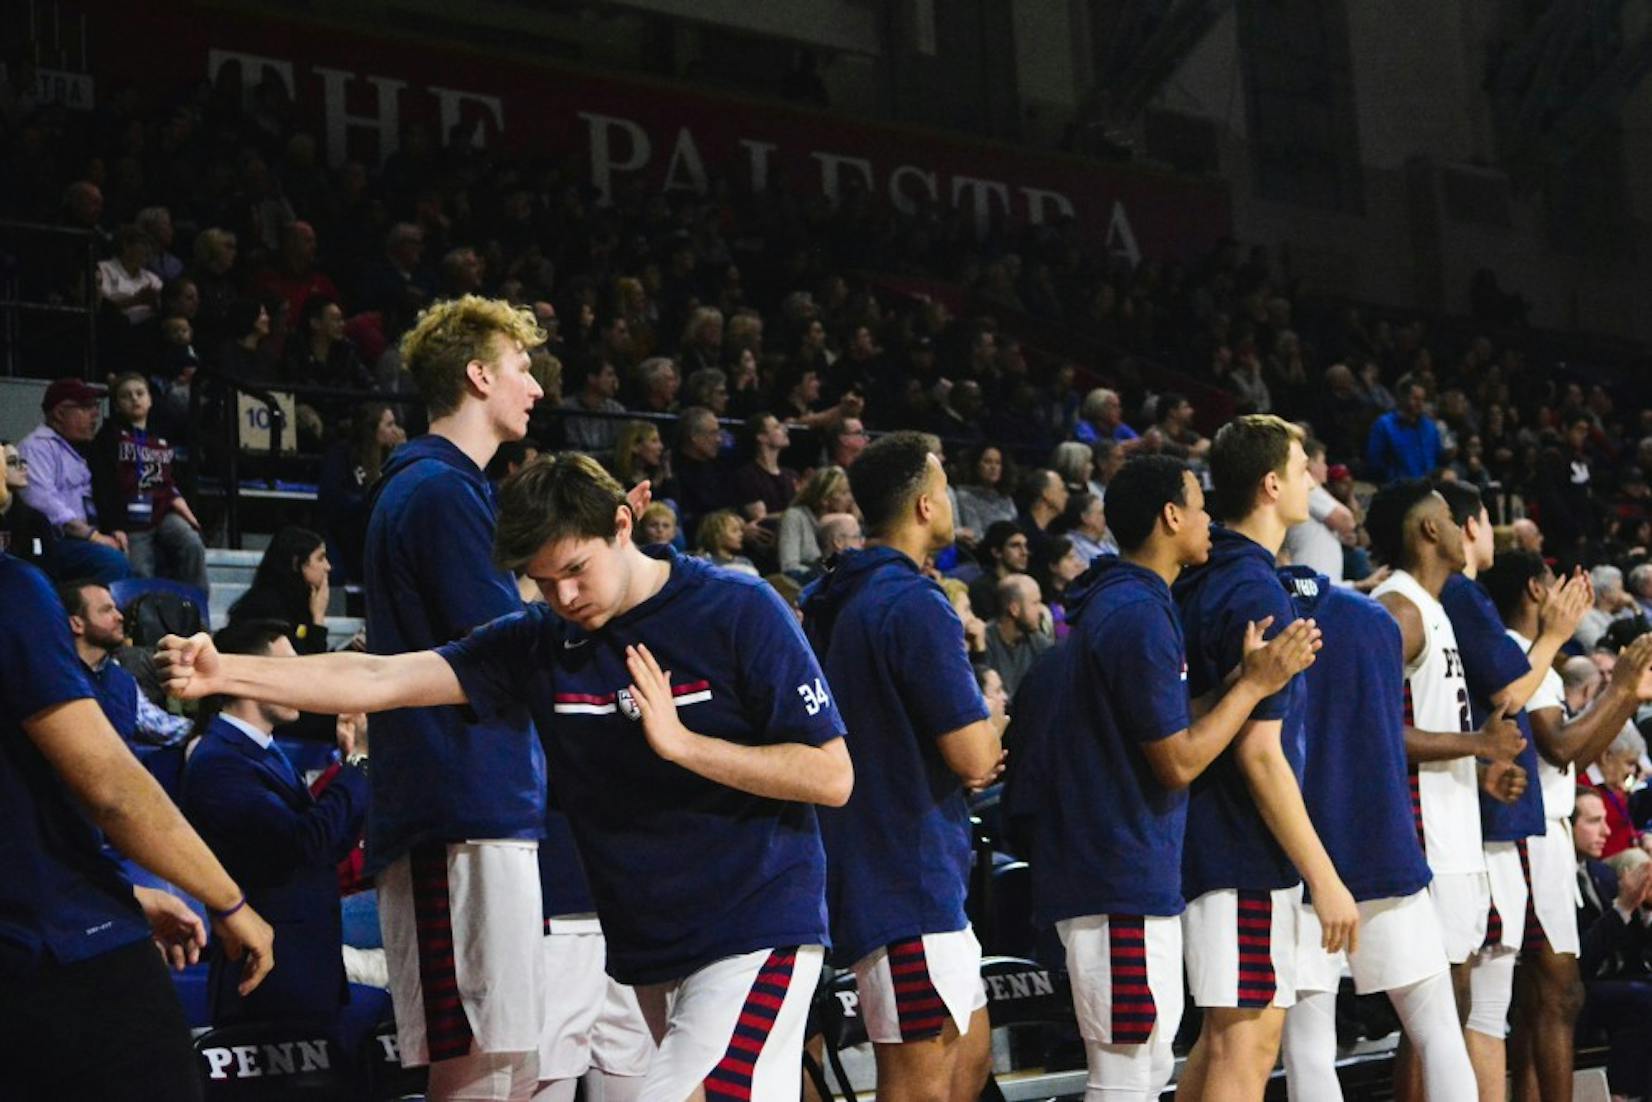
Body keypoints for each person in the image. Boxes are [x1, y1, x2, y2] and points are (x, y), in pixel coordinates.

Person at [157, 450, 851, 1101]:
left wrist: (684, 745)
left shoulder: (738, 609)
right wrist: (228, 670)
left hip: (758, 919)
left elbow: (830, 775)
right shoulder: (542, 640)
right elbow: (384, 675)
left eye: (576, 569)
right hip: (649, 941)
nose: (565, 594)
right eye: (545, 581)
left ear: (621, 524)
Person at [1036, 454, 1321, 1102]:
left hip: (1120, 875)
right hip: (1118, 876)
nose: (1208, 521)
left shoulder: (1129, 601)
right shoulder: (1136, 613)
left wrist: (1234, 684)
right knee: (1128, 1079)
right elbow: (1177, 760)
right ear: (1171, 516)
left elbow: (1159, 722)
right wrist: (1252, 687)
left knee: (1145, 1067)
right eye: (1198, 506)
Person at [359, 295, 550, 1099]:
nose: (535, 386)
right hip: (455, 808)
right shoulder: (439, 492)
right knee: (471, 1063)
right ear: (478, 376)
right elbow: (507, 652)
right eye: (521, 368)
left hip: (479, 803)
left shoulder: (447, 489)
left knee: (504, 1061)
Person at [1, 549, 273, 1099]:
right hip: (62, 950)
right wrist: (228, 901)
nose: (10, 459)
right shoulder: (11, 590)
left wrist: (130, 892)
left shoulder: (119, 683)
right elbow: (112, 789)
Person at [801, 431, 1005, 1102]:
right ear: (924, 505)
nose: (951, 505)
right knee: (921, 1079)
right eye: (945, 491)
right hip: (904, 872)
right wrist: (994, 713)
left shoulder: (848, 597)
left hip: (898, 864)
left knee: (969, 1054)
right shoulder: (913, 603)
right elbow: (975, 758)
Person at [1171, 415, 1358, 1102]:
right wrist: (1325, 876)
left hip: (1207, 842)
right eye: (1305, 466)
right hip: (1241, 849)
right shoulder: (1254, 590)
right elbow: (1260, 756)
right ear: (1272, 482)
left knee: (1222, 1046)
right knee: (1246, 1047)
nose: (1315, 477)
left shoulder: (1208, 574)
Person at [1274, 559, 1479, 1102]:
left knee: (1308, 1044)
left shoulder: (1258, 614)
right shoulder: (1375, 620)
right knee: (1438, 1030)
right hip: (1381, 842)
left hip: (1301, 854)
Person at [1434, 481, 1590, 1101]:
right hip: (1499, 829)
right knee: (1481, 1002)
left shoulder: (1462, 605)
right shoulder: (1468, 603)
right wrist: (1558, 641)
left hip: (1501, 819)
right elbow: (1515, 701)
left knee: (1490, 1000)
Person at [1483, 552, 1652, 1102]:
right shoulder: (1522, 653)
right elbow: (1561, 750)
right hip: (1532, 831)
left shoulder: (1527, 654)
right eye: (1556, 583)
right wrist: (1621, 690)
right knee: (1558, 995)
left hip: (1535, 828)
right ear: (1537, 591)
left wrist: (1623, 697)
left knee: (1540, 1000)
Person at [180, 619, 368, 1029]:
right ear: (250, 677)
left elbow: (323, 842)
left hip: (302, 968)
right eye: (287, 668)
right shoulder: (220, 762)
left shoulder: (262, 751)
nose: (298, 680)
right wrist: (361, 763)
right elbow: (302, 847)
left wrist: (350, 760)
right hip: (268, 981)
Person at [90, 372, 208, 594]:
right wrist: (114, 526)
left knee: (192, 544)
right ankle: (145, 624)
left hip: (163, 512)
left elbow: (169, 479)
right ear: (116, 404)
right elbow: (103, 485)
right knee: (140, 570)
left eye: (139, 393)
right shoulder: (108, 437)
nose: (134, 399)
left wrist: (182, 506)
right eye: (126, 396)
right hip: (129, 519)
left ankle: (198, 614)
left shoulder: (162, 435)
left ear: (150, 399)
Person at [1572, 786, 1652, 1102]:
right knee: (1643, 1000)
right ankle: (1624, 1093)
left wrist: (1645, 910)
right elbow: (1581, 959)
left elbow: (1635, 950)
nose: (1606, 831)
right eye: (1593, 821)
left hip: (1621, 981)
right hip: (1578, 990)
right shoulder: (1555, 882)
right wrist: (1623, 908)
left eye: (1605, 820)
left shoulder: (1601, 873)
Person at [19, 378, 131, 583]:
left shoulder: (87, 448)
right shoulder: (36, 447)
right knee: (111, 562)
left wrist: (115, 528)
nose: (95, 414)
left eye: (95, 407)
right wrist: (93, 537)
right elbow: (42, 502)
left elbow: (106, 494)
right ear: (60, 413)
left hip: (88, 536)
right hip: (57, 541)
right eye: (86, 408)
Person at [59, 579, 191, 747]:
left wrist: (208, 731)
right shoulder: (56, 676)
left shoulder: (121, 678)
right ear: (76, 624)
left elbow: (160, 725)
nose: (120, 617)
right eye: (106, 610)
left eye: (116, 609)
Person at [318, 403, 406, 584]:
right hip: (347, 534)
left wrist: (403, 454)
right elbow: (333, 501)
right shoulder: (342, 454)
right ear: (373, 428)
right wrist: (368, 501)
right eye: (389, 425)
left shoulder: (393, 458)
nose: (396, 431)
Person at [229, 527, 334, 655]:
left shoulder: (302, 600)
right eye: (320, 558)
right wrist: (318, 618)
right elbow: (309, 666)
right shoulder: (266, 608)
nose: (328, 567)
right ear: (296, 563)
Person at [1280, 438, 1353, 585]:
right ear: (1309, 463)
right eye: (1322, 461)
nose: (1326, 467)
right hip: (1313, 583)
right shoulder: (1309, 491)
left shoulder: (1312, 492)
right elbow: (1346, 521)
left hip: (1316, 582)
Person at [983, 574, 1053, 699]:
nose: (1041, 610)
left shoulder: (1039, 643)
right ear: (1014, 609)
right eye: (1035, 603)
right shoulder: (985, 642)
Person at [778, 465, 854, 578]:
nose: (850, 499)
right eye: (844, 493)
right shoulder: (794, 517)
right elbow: (789, 567)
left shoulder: (845, 522)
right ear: (825, 499)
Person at [1365, 383, 1440, 483]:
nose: (1420, 404)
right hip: (1398, 489)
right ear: (1402, 398)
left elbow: (1438, 457)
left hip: (1429, 486)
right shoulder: (1384, 424)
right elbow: (1375, 462)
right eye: (1415, 399)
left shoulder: (1430, 426)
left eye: (1423, 399)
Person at [733, 412, 798, 524]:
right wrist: (799, 515)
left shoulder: (791, 475)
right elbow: (761, 520)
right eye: (777, 427)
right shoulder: (748, 476)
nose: (785, 430)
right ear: (761, 437)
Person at [967, 521, 1031, 621]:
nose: (1024, 552)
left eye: (1025, 546)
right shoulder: (982, 588)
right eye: (1015, 546)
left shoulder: (1028, 585)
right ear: (996, 552)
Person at [954, 445, 1019, 542]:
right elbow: (975, 536)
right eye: (988, 462)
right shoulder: (964, 496)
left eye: (998, 463)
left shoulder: (1006, 499)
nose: (993, 467)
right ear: (976, 465)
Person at [560, 361, 627, 456]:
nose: (615, 381)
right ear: (592, 378)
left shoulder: (616, 410)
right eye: (609, 375)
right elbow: (571, 448)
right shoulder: (567, 407)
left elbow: (620, 448)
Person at [694, 510, 760, 576]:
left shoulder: (745, 562)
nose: (741, 534)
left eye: (740, 530)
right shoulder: (705, 563)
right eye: (734, 530)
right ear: (717, 535)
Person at [612, 420, 668, 491]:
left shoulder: (658, 477)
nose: (661, 446)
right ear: (634, 446)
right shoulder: (617, 483)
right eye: (654, 441)